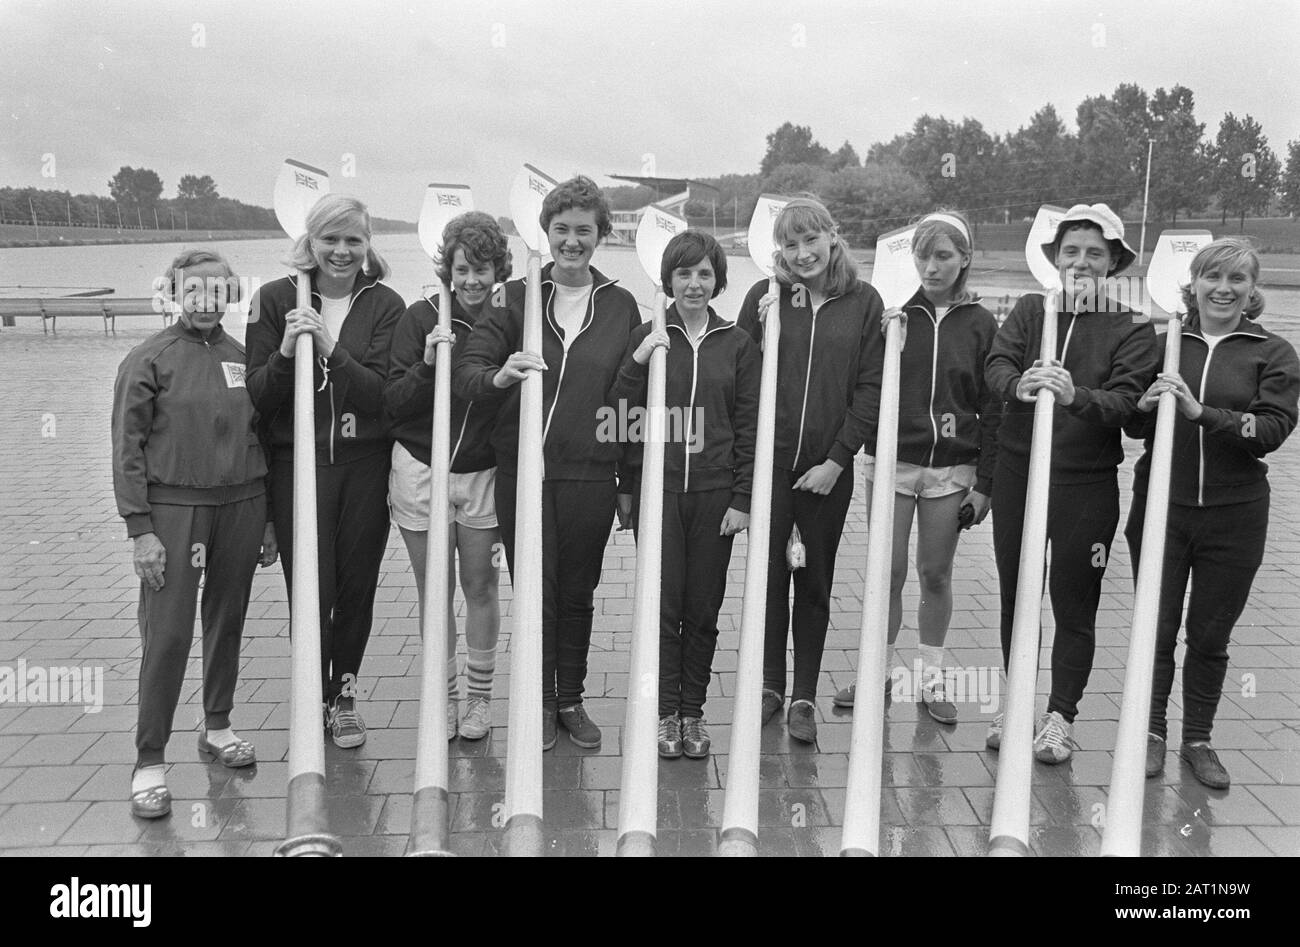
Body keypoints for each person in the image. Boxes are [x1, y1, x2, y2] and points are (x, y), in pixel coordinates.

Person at [453, 175, 641, 750]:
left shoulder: (620, 304)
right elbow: (468, 369)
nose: (572, 241)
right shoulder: (513, 297)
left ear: (601, 234)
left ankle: (571, 700)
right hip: (523, 473)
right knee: (536, 589)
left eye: (584, 230)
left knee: (578, 591)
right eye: (561, 229)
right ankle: (538, 698)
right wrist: (498, 376)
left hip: (590, 474)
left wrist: (628, 481)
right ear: (546, 232)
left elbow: (628, 400)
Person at [984, 202, 1158, 763]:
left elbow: (1129, 403)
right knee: (1018, 594)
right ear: (1056, 259)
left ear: (1114, 263)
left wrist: (1074, 395)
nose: (1081, 263)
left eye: (1094, 254)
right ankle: (1018, 702)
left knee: (1074, 601)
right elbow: (997, 364)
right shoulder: (1031, 310)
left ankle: (1060, 715)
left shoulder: (1133, 326)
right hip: (1018, 474)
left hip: (1086, 485)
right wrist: (1019, 384)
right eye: (1071, 252)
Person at [1125, 238, 1299, 789]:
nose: (1223, 289)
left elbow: (1271, 430)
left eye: (1236, 279)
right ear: (1194, 284)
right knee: (1156, 629)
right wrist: (1142, 406)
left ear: (1252, 290)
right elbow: (1133, 424)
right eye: (1212, 277)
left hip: (1235, 516)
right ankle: (1150, 732)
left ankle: (1198, 739)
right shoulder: (1165, 345)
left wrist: (1201, 412)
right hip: (1161, 510)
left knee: (1209, 635)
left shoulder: (1273, 352)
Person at [113, 249, 277, 818]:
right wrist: (141, 530)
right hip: (174, 511)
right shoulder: (148, 359)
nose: (205, 301)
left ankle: (218, 725)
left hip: (242, 506)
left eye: (216, 290)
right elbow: (127, 449)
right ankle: (149, 759)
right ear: (174, 294)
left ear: (230, 295)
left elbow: (265, 437)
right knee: (169, 633)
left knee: (227, 620)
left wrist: (269, 521)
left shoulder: (243, 358)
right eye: (193, 290)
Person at [245, 194, 405, 749]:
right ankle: (314, 693)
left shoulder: (385, 305)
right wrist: (287, 352)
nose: (341, 251)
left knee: (356, 588)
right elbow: (258, 397)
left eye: (352, 240)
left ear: (368, 245)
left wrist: (332, 349)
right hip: (297, 466)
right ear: (309, 242)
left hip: (363, 466)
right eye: (329, 239)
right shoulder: (273, 300)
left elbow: (382, 396)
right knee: (311, 589)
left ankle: (345, 697)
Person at [832, 211, 1000, 724]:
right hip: (892, 462)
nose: (931, 267)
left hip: (951, 468)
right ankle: (877, 672)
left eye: (943, 256)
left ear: (965, 258)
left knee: (934, 573)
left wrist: (987, 482)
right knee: (888, 571)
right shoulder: (894, 313)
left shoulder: (981, 323)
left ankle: (929, 677)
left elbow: (993, 405)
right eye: (923, 256)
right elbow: (859, 380)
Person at [735, 195, 885, 744]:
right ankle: (770, 686)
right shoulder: (766, 294)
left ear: (832, 235)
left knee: (813, 580)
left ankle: (804, 696)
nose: (802, 254)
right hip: (771, 469)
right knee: (771, 578)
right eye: (790, 243)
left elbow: (870, 388)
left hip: (827, 472)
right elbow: (739, 376)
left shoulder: (864, 301)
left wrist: (837, 460)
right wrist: (755, 332)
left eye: (811, 239)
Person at [610, 230, 760, 759]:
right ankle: (663, 712)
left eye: (704, 273)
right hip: (660, 494)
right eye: (683, 273)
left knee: (702, 609)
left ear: (718, 280)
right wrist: (627, 487)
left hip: (715, 497)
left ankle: (692, 712)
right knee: (662, 607)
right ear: (667, 280)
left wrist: (743, 497)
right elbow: (620, 415)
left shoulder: (737, 344)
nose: (694, 284)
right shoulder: (649, 333)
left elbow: (749, 426)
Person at [385, 212, 510, 741]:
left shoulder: (511, 319)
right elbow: (393, 401)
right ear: (447, 270)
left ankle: (478, 700)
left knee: (480, 585)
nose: (472, 281)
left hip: (483, 474)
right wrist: (428, 365)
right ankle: (445, 696)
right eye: (462, 270)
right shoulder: (421, 317)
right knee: (434, 589)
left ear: (499, 270)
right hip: (421, 469)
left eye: (483, 270)